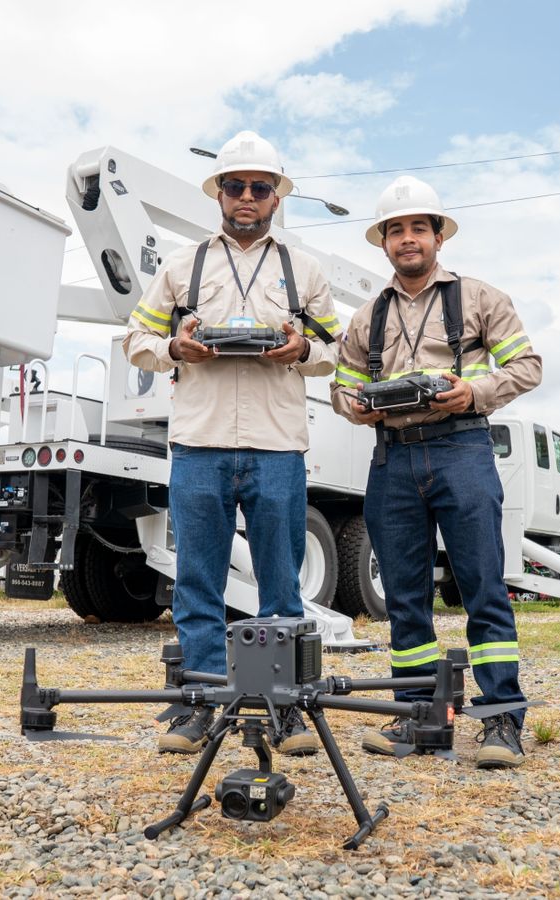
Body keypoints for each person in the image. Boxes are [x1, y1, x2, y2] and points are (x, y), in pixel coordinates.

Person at [122, 130, 339, 756]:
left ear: (276, 198)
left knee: (282, 586)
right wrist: (175, 347)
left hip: (276, 445)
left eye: (259, 187)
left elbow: (335, 351)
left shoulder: (304, 271)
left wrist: (301, 349)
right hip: (200, 443)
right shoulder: (181, 267)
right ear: (218, 193)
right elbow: (136, 338)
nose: (247, 196)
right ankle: (199, 702)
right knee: (197, 581)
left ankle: (286, 706)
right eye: (236, 185)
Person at [331, 175, 542, 769]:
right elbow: (342, 387)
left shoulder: (480, 299)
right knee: (403, 599)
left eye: (418, 228)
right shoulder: (366, 317)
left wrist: (472, 393)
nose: (407, 239)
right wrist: (355, 406)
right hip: (392, 458)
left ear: (438, 237)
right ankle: (420, 716)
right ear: (383, 242)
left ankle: (501, 719)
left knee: (483, 587)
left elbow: (527, 365)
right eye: (395, 230)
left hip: (462, 448)